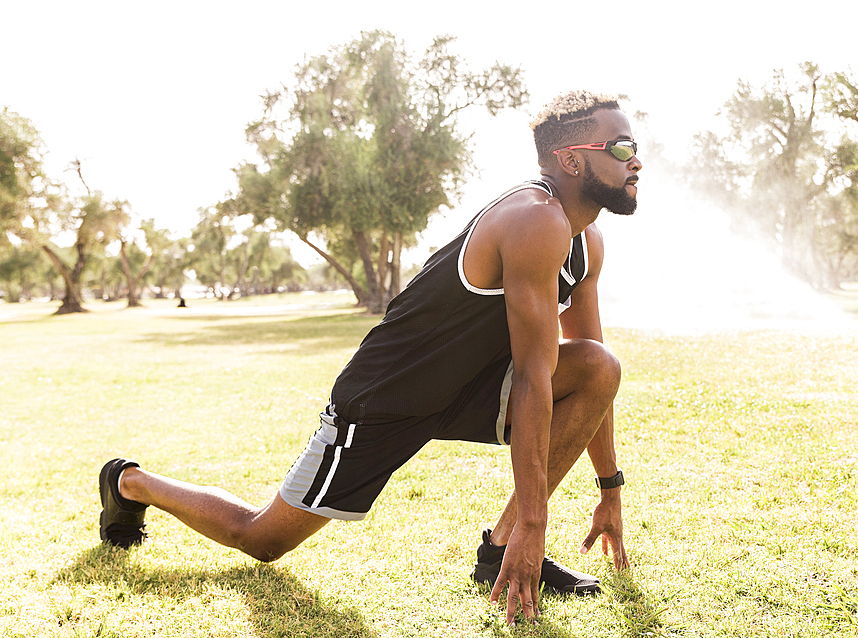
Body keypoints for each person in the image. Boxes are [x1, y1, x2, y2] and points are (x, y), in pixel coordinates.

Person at [98, 90, 641, 626]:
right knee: (261, 539)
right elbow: (530, 376)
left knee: (598, 365)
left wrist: (609, 490)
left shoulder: (586, 240)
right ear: (572, 159)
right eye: (619, 148)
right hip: (387, 397)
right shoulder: (533, 220)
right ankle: (129, 482)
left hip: (469, 389)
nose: (635, 159)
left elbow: (588, 373)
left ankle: (499, 552)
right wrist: (535, 522)